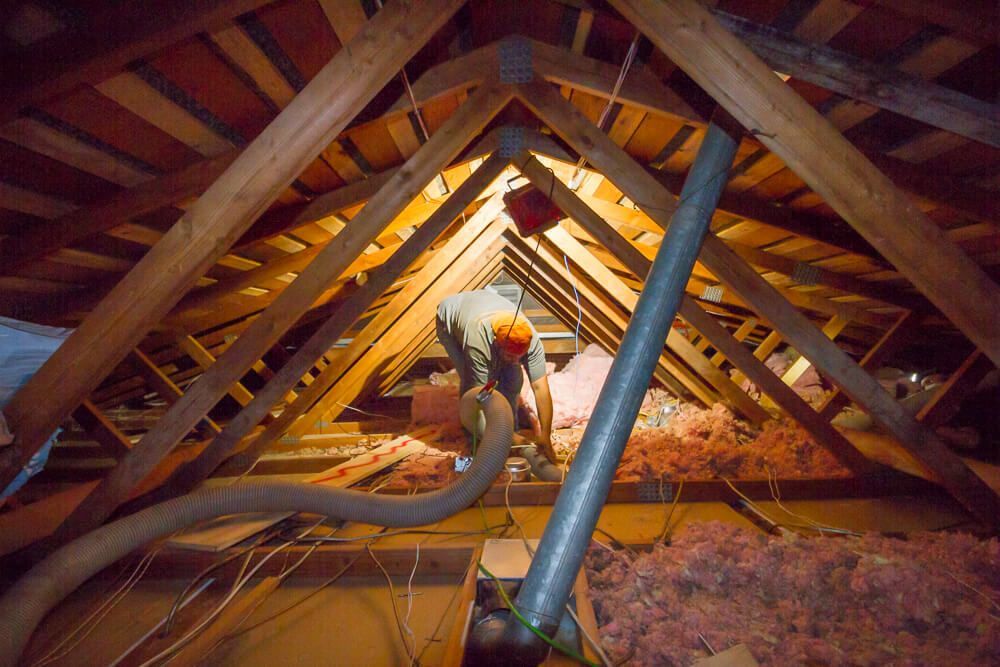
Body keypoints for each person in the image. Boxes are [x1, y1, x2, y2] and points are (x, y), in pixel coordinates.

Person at [436, 290, 556, 462]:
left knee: (514, 378)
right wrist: (512, 439)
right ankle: (475, 441)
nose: (516, 361)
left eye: (520, 356)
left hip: (483, 309)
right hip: (450, 317)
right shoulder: (477, 340)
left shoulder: (532, 341)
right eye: (510, 355)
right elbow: (478, 395)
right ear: (496, 343)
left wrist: (545, 435)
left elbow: (540, 388)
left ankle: (509, 429)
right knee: (477, 383)